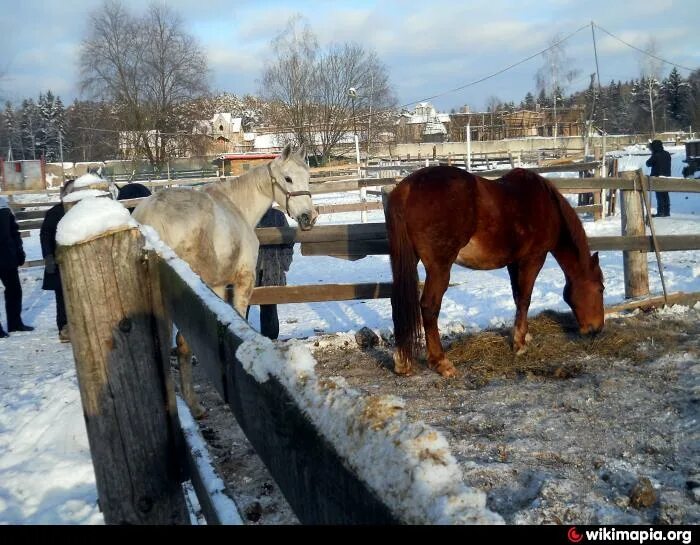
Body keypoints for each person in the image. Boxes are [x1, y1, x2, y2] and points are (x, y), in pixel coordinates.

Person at [246, 208, 294, 340]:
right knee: (242, 305)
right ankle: (238, 339)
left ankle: (270, 340)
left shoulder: (277, 216)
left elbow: (289, 240)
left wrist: (284, 262)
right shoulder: (245, 213)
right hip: (247, 271)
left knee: (269, 307)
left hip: (272, 269)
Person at [40, 180, 74, 342]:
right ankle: (64, 328)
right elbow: (45, 235)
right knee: (62, 297)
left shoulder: (82, 212)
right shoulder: (55, 212)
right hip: (60, 263)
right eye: (69, 192)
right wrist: (48, 257)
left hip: (78, 264)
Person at [0, 196, 33, 337]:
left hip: (7, 256)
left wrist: (19, 252)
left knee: (14, 290)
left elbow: (14, 231)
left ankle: (15, 323)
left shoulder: (3, 204)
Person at [646, 139, 672, 217]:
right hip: (667, 176)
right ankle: (667, 212)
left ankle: (660, 212)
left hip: (657, 177)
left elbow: (648, 163)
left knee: (659, 195)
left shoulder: (656, 155)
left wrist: (653, 154)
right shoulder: (667, 154)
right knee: (665, 194)